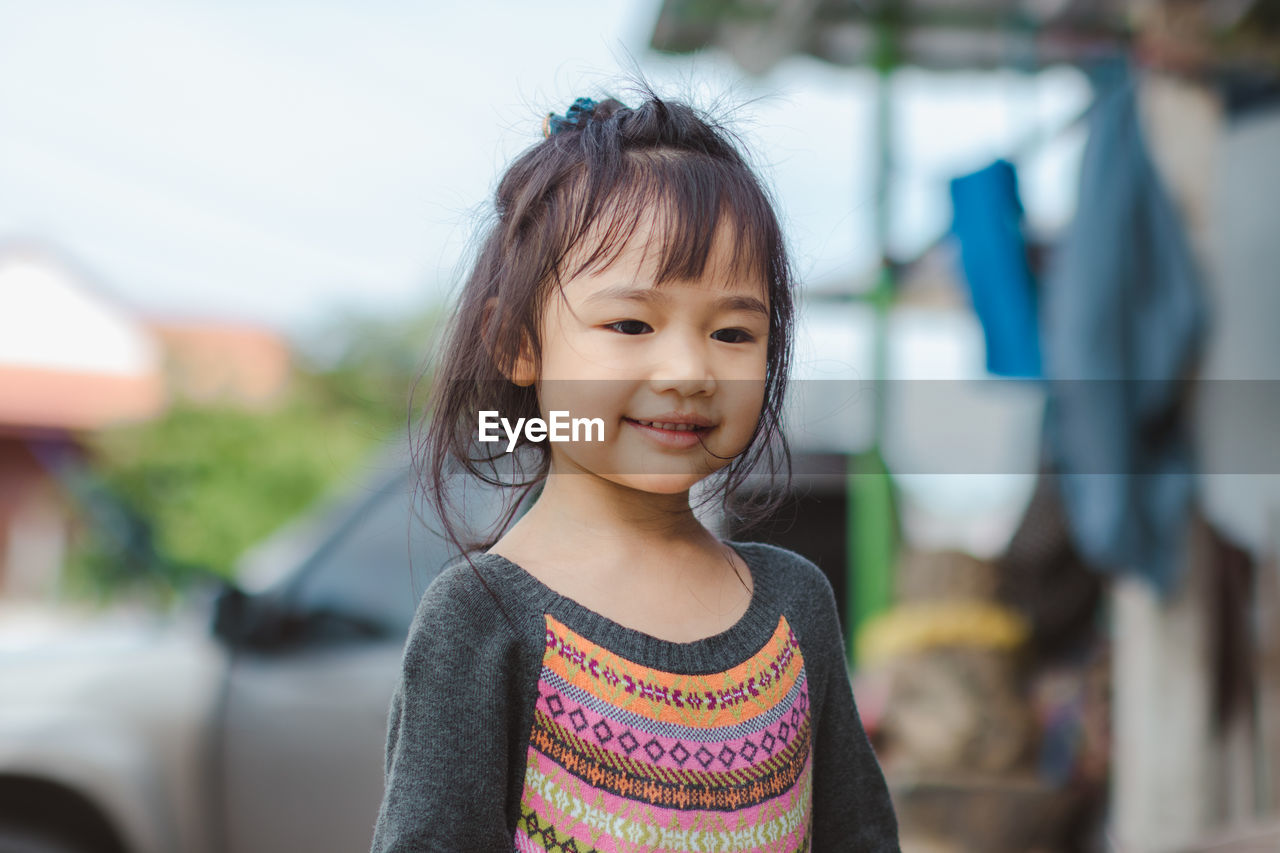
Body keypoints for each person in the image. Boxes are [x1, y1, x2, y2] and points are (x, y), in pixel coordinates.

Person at [371, 88, 900, 852]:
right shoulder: (484, 618)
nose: (688, 369)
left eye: (731, 331)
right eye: (630, 323)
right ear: (516, 341)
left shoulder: (794, 606)